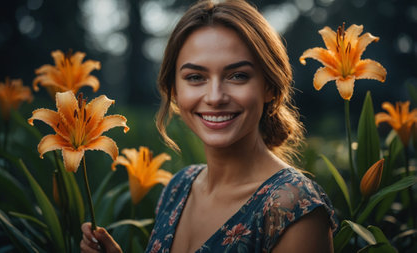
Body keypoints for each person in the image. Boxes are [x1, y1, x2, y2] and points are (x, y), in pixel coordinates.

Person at [81, 0, 338, 252]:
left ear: (269, 86)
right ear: (175, 91)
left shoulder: (293, 207)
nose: (215, 97)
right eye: (195, 77)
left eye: (238, 76)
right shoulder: (178, 188)